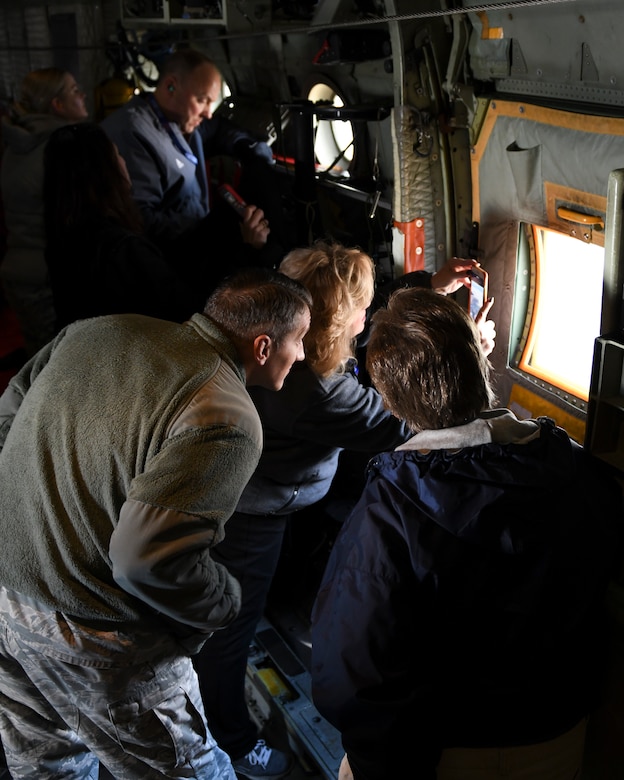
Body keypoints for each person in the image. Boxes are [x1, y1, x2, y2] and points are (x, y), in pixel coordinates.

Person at [193, 242, 495, 779]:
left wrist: (427, 288)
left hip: (266, 490)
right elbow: (412, 420)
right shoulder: (318, 391)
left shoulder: (292, 328)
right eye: (363, 305)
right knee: (229, 631)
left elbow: (368, 328)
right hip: (253, 513)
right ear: (335, 325)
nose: (371, 311)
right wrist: (473, 352)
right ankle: (234, 742)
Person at [0, 268, 312, 780]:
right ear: (262, 346)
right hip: (95, 635)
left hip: (6, 600)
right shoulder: (227, 414)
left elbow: (7, 420)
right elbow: (146, 557)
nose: (300, 356)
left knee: (49, 767)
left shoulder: (96, 329)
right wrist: (224, 603)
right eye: (298, 341)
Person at [310, 287, 623, 780]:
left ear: (391, 402)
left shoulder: (389, 510)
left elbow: (349, 675)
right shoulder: (578, 471)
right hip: (558, 736)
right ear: (482, 362)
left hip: (443, 750)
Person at [101, 48, 277, 290]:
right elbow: (140, 220)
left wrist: (247, 146)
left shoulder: (181, 119)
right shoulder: (134, 133)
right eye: (202, 100)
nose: (208, 112)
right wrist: (215, 227)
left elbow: (216, 129)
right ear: (171, 86)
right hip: (167, 267)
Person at [43, 121, 202, 330]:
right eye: (117, 155)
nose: (124, 162)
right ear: (105, 173)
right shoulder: (124, 250)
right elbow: (188, 312)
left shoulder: (64, 238)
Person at [0, 67, 88, 356]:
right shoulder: (60, 148)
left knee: (40, 359)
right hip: (48, 277)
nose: (83, 95)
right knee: (55, 367)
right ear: (57, 105)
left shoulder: (17, 144)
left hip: (20, 269)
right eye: (75, 90)